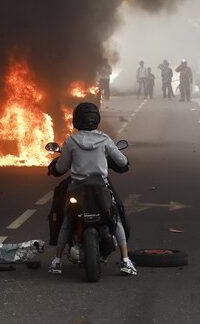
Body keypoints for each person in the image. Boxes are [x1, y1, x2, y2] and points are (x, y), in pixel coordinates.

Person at [48, 102, 136, 276]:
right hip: (100, 187)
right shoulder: (104, 139)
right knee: (115, 216)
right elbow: (122, 161)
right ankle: (126, 261)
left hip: (77, 189)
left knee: (66, 220)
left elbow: (61, 167)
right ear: (96, 120)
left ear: (76, 120)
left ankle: (57, 261)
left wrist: (55, 168)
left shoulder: (71, 141)